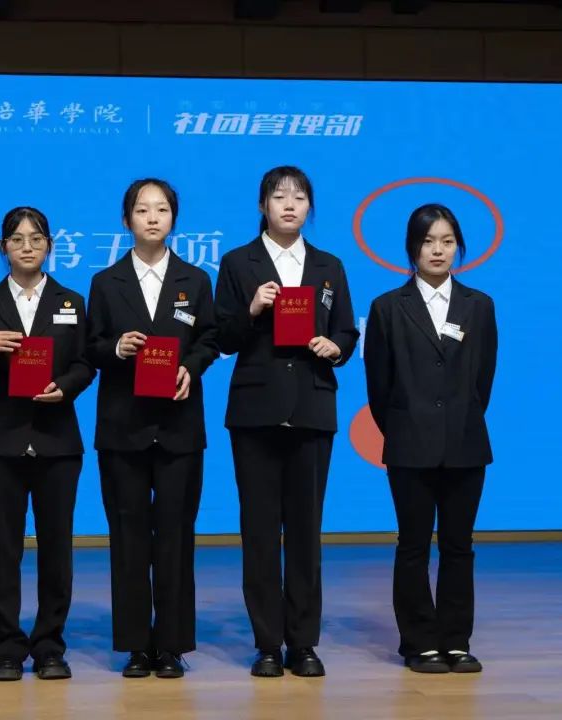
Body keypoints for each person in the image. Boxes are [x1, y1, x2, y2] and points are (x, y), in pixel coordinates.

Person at [214, 165, 358, 678]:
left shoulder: (328, 265)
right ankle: (267, 644)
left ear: (309, 207)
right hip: (256, 411)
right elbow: (222, 336)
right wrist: (252, 308)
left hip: (312, 407)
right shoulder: (238, 262)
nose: (290, 205)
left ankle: (303, 642)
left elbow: (347, 330)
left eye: (299, 197)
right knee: (258, 531)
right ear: (263, 206)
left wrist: (336, 346)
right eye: (279, 197)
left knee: (305, 532)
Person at [86, 179, 218, 679]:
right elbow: (90, 346)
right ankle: (136, 645)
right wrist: (115, 349)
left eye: (161, 210)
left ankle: (172, 645)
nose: (153, 218)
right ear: (127, 221)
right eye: (142, 210)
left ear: (173, 219)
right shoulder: (106, 282)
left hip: (179, 426)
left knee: (176, 536)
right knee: (128, 536)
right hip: (123, 427)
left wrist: (192, 367)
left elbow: (209, 338)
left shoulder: (195, 280)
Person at [363, 203, 497, 674]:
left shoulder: (479, 305)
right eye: (427, 241)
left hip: (465, 443)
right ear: (411, 248)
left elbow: (483, 379)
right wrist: (408, 427)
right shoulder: (387, 308)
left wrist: (457, 420)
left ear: (458, 246)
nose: (437, 250)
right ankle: (419, 642)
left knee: (459, 545)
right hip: (409, 444)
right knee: (413, 546)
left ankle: (456, 640)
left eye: (447, 241)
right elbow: (379, 387)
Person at [0, 207, 96, 681]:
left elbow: (86, 363)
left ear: (49, 246)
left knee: (56, 547)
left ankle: (49, 645)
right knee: (3, 548)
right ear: (2, 247)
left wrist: (66, 387)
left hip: (57, 440)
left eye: (36, 238)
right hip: (1, 442)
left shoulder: (71, 302)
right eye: (17, 239)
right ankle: (6, 646)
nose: (27, 246)